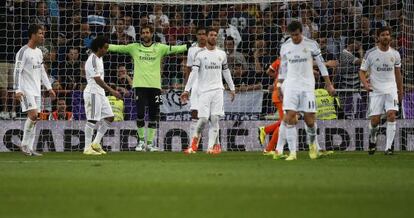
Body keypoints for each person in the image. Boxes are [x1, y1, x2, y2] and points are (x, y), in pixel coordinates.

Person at [107, 25, 188, 152]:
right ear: (141, 34)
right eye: (143, 33)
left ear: (151, 34)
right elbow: (118, 48)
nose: (145, 34)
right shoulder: (135, 47)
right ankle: (140, 142)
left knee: (154, 114)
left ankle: (149, 144)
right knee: (139, 114)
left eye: (147, 32)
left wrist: (189, 46)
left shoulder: (159, 47)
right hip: (139, 86)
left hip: (156, 87)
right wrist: (104, 45)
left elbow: (175, 49)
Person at [275, 20, 336, 161]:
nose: (294, 38)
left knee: (309, 120)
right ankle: (292, 153)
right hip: (291, 85)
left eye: (296, 35)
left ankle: (313, 147)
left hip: (307, 86)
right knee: (290, 116)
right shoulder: (285, 47)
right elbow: (283, 68)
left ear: (301, 32)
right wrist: (279, 86)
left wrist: (328, 84)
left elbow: (321, 65)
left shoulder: (311, 44)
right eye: (292, 35)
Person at [180, 28, 236, 154]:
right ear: (207, 37)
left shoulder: (222, 54)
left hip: (218, 90)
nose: (213, 37)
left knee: (215, 118)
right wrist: (186, 90)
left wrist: (232, 88)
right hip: (204, 91)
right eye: (211, 35)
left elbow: (226, 71)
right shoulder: (200, 55)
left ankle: (211, 148)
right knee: (204, 119)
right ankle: (194, 141)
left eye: (215, 35)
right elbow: (193, 73)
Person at [13, 24, 56, 156]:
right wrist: (17, 90)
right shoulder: (23, 51)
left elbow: (42, 70)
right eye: (40, 33)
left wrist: (49, 87)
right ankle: (24, 145)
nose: (43, 36)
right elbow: (17, 71)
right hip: (26, 90)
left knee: (35, 118)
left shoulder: (38, 52)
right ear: (32, 35)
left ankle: (30, 148)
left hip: (37, 90)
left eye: (43, 33)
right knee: (33, 115)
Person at [359, 26, 403, 155]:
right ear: (378, 37)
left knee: (391, 115)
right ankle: (372, 141)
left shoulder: (395, 54)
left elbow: (398, 74)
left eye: (388, 34)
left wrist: (400, 90)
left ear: (390, 37)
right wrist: (366, 85)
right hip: (376, 91)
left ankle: (388, 148)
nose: (386, 37)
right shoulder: (371, 53)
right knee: (375, 121)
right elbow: (361, 72)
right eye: (383, 35)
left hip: (391, 89)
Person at [83, 36, 122, 156]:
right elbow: (97, 79)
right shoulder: (93, 59)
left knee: (110, 117)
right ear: (99, 48)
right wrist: (112, 91)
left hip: (100, 93)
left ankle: (96, 143)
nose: (107, 50)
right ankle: (87, 148)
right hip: (93, 92)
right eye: (105, 48)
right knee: (92, 119)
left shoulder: (100, 59)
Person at [183, 26, 207, 153]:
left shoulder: (215, 50)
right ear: (196, 35)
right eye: (200, 34)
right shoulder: (192, 50)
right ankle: (193, 145)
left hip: (210, 84)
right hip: (196, 84)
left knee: (211, 116)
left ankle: (214, 145)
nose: (202, 36)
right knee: (194, 113)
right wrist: (187, 88)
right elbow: (188, 69)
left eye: (204, 34)